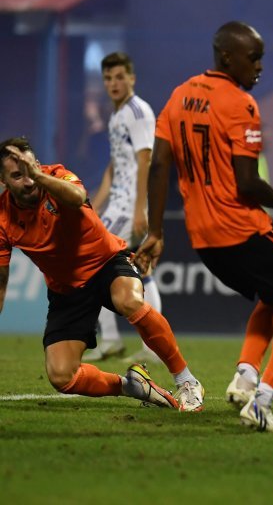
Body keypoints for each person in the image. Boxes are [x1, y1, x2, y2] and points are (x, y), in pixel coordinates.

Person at [137, 21, 273, 434]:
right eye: (253, 58)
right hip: (241, 229)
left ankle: (247, 374)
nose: (259, 67)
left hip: (205, 240)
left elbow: (160, 166)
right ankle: (262, 403)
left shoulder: (179, 95)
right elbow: (247, 183)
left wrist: (156, 231)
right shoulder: (240, 104)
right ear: (227, 57)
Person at [0, 137, 204, 412]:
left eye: (30, 169)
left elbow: (77, 198)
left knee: (129, 301)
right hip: (67, 289)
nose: (28, 181)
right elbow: (1, 283)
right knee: (62, 377)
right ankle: (132, 386)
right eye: (17, 175)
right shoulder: (3, 218)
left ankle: (187, 381)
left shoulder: (57, 176)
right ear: (3, 181)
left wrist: (37, 175)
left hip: (107, 262)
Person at [83, 52, 161, 366]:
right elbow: (114, 168)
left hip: (131, 205)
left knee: (95, 263)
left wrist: (142, 209)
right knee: (141, 270)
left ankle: (115, 339)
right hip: (119, 203)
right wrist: (91, 206)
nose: (113, 84)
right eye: (108, 78)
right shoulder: (117, 116)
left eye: (119, 77)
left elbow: (146, 160)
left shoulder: (137, 111)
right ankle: (148, 345)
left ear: (132, 78)